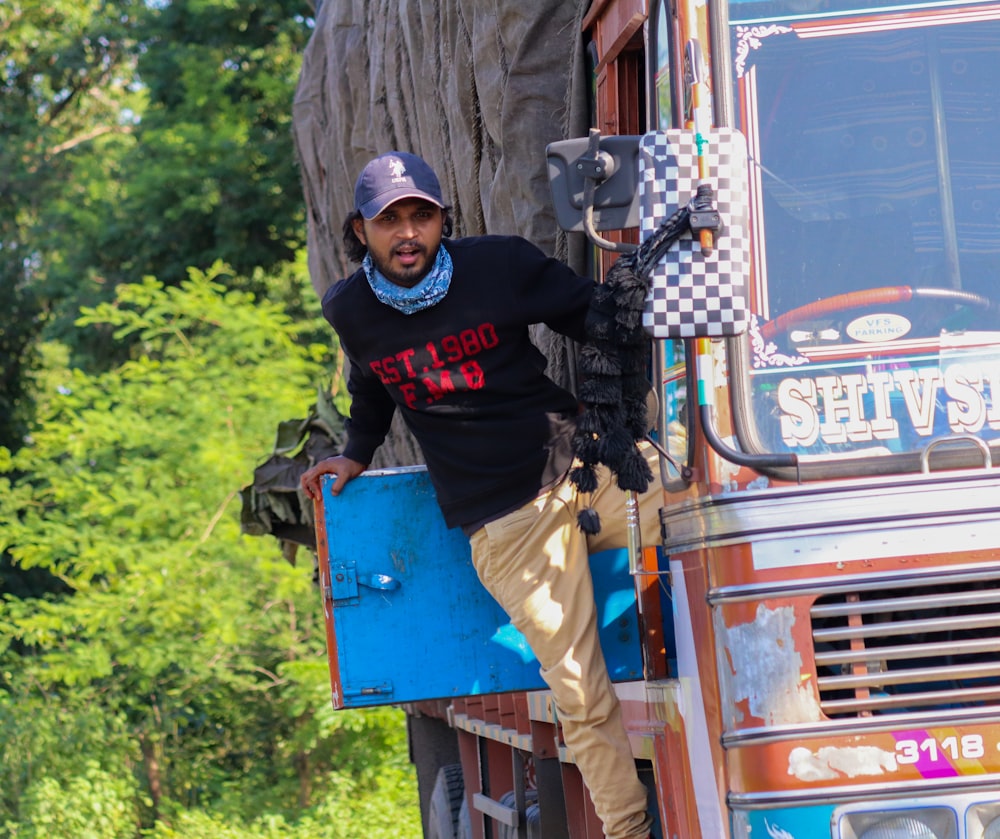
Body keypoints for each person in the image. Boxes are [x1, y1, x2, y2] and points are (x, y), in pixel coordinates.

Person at [300, 151, 662, 839]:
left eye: (421, 215)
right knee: (580, 692)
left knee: (709, 514)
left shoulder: (498, 265)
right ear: (361, 231)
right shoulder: (350, 311)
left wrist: (635, 380)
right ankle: (631, 831)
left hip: (588, 468)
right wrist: (354, 452)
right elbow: (372, 387)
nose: (407, 232)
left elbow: (595, 317)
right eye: (389, 220)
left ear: (443, 220)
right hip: (507, 524)